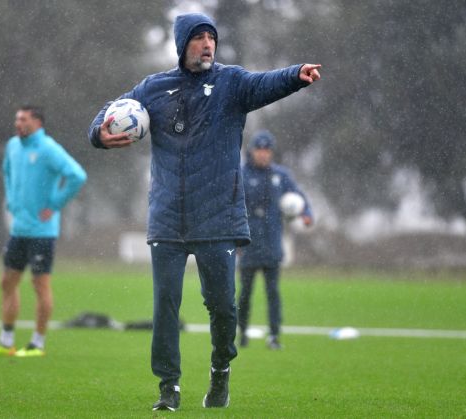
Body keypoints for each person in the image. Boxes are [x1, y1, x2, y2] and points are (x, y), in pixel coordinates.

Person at [88, 13, 321, 411]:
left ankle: (220, 371)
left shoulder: (232, 83)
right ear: (182, 45)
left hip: (218, 218)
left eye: (211, 37)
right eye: (198, 38)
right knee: (166, 303)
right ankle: (169, 387)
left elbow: (266, 82)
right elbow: (113, 108)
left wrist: (296, 74)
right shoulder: (154, 88)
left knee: (223, 306)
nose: (207, 44)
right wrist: (98, 132)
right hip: (167, 218)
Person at [0, 105, 87, 357]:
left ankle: (37, 343)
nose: (18, 123)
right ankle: (6, 340)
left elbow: (77, 175)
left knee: (40, 284)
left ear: (37, 122)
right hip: (19, 230)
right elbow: (6, 171)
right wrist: (12, 199)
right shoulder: (13, 146)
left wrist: (55, 204)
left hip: (42, 232)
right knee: (7, 282)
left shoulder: (48, 149)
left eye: (23, 119)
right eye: (16, 118)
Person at [238, 130, 313, 351]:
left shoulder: (281, 176)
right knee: (244, 294)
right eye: (259, 150)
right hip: (248, 245)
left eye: (267, 150)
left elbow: (299, 198)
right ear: (251, 151)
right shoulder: (241, 175)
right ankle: (241, 331)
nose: (263, 154)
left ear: (271, 153)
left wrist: (306, 213)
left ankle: (274, 336)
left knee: (273, 294)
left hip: (272, 244)